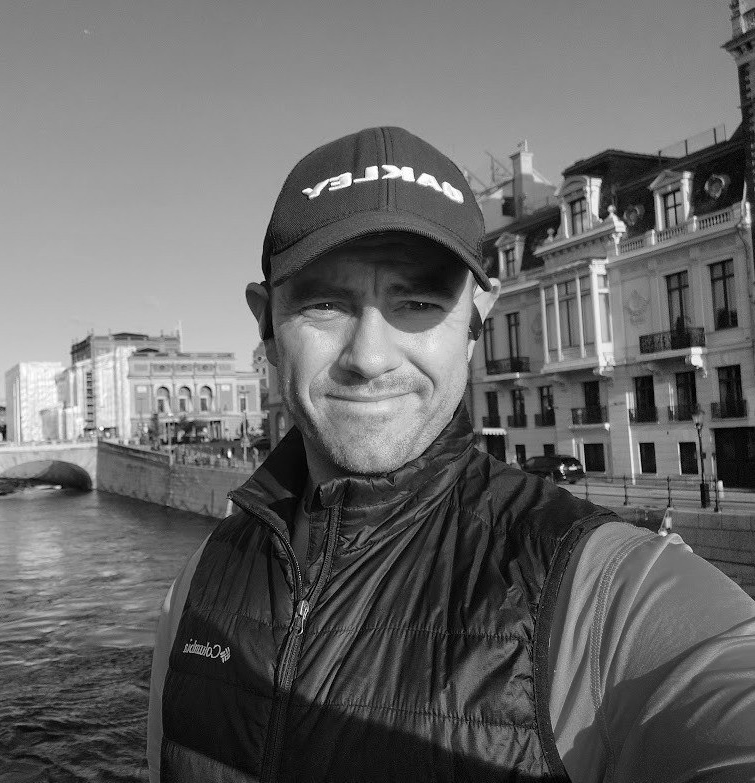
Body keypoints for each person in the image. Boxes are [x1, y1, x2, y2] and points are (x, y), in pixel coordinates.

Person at [148, 127, 755, 782]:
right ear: (266, 322)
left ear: (475, 320)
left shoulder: (601, 592)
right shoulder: (198, 584)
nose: (369, 357)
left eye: (417, 302)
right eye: (325, 303)